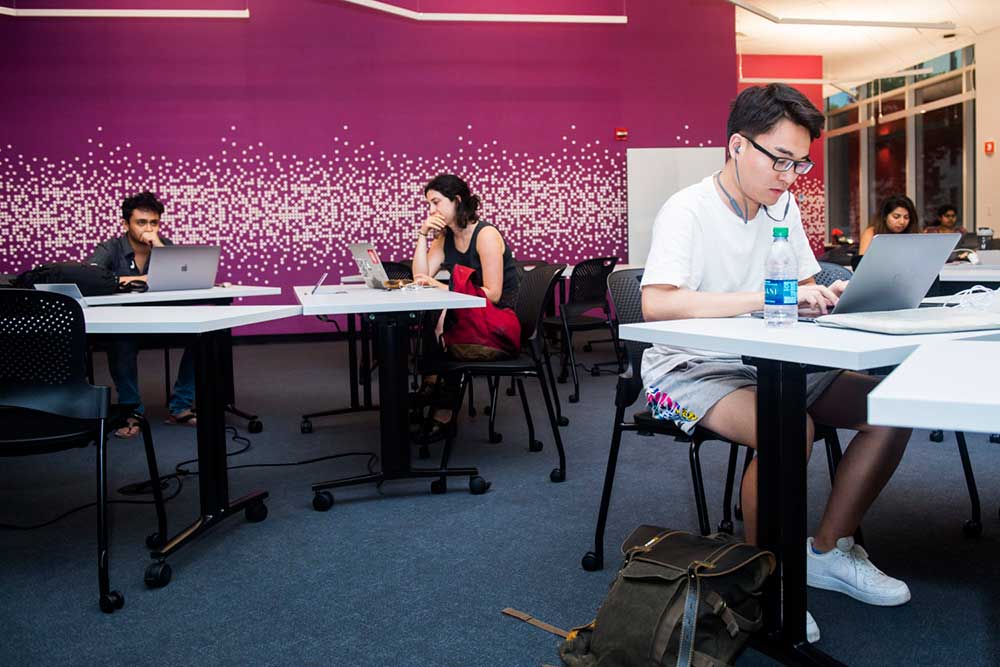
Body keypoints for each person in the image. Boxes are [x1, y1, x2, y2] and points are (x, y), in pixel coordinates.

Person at [640, 84, 912, 644]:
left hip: (770, 360)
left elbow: (803, 278)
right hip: (685, 370)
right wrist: (760, 297)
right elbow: (656, 302)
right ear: (738, 146)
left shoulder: (779, 203)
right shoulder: (687, 209)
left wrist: (823, 294)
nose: (790, 178)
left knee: (889, 408)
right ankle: (767, 581)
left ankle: (825, 552)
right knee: (791, 428)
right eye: (780, 161)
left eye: (799, 164)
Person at [411, 174, 520, 438]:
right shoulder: (444, 237)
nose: (431, 210)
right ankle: (432, 388)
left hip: (498, 321)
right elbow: (419, 276)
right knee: (436, 315)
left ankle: (438, 401)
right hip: (469, 313)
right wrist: (423, 234)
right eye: (429, 204)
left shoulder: (486, 235)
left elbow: (493, 294)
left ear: (457, 200)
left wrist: (441, 288)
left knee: (444, 319)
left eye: (436, 202)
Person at [87, 191, 197, 438]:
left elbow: (184, 279)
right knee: (121, 342)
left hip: (161, 322)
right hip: (125, 325)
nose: (149, 228)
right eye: (141, 222)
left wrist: (159, 248)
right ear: (125, 224)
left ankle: (180, 406)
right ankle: (132, 411)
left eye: (154, 223)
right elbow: (91, 278)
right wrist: (141, 279)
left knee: (202, 337)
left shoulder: (164, 246)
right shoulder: (111, 248)